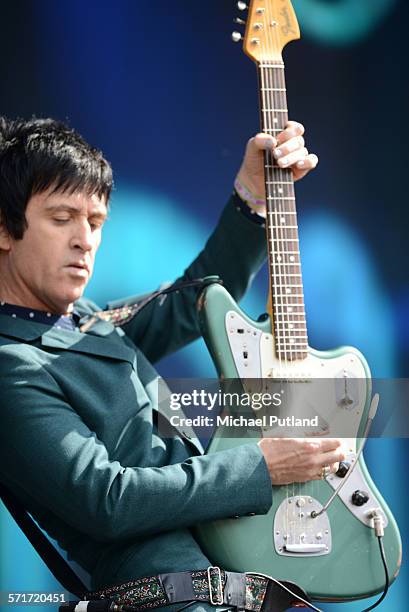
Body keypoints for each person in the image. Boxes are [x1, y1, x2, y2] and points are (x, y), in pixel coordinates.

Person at [0, 117, 344, 611]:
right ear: (5, 229)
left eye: (95, 222)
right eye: (62, 218)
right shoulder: (11, 363)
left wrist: (252, 194)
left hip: (225, 577)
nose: (85, 240)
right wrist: (259, 466)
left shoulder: (89, 323)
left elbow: (196, 297)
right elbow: (106, 500)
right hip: (166, 593)